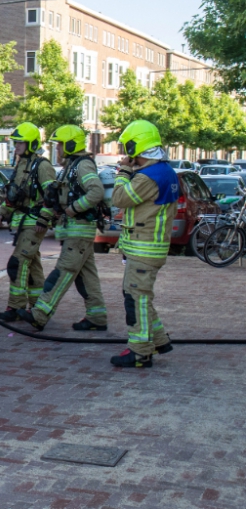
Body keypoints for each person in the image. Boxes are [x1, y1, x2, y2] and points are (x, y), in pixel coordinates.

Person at [18, 125, 108, 331]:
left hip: (79, 230)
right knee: (87, 276)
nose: (57, 149)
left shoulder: (82, 166)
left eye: (59, 144)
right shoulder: (72, 165)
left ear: (70, 145)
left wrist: (73, 209)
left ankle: (40, 314)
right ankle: (97, 316)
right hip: (76, 232)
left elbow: (96, 192)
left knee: (63, 272)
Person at [109, 120, 178, 368]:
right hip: (149, 248)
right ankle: (159, 341)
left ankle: (140, 351)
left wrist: (123, 174)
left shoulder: (149, 176)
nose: (126, 155)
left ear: (136, 146)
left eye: (128, 149)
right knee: (141, 297)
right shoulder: (165, 171)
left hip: (144, 249)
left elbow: (119, 198)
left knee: (136, 299)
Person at [0, 122, 57, 322]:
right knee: (33, 265)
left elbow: (51, 195)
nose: (16, 146)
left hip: (34, 222)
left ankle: (15, 307)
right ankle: (37, 308)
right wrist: (3, 213)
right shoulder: (21, 164)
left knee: (18, 263)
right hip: (23, 222)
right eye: (15, 142)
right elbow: (15, 194)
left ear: (31, 143)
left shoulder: (43, 166)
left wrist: (44, 217)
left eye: (20, 142)